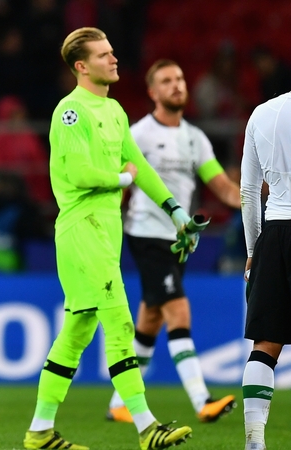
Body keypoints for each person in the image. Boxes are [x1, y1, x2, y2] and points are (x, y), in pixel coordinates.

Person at [23, 27, 195, 450]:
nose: (114, 59)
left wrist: (176, 212)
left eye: (113, 52)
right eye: (104, 55)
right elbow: (81, 174)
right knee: (119, 319)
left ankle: (40, 431)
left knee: (78, 331)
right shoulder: (71, 111)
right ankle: (146, 426)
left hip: (104, 230)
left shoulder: (115, 111)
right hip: (82, 228)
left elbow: (141, 166)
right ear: (82, 66)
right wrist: (122, 179)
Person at [106, 59, 241, 424]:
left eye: (180, 78)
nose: (177, 85)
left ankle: (118, 403)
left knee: (150, 319)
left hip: (179, 239)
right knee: (177, 310)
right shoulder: (138, 135)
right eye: (167, 80)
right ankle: (202, 401)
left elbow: (223, 188)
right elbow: (119, 184)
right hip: (146, 234)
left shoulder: (195, 138)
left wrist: (259, 200)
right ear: (152, 92)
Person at [239, 79, 291, 450]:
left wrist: (253, 249)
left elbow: (248, 191)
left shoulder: (262, 113)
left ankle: (255, 440)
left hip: (274, 234)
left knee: (265, 345)